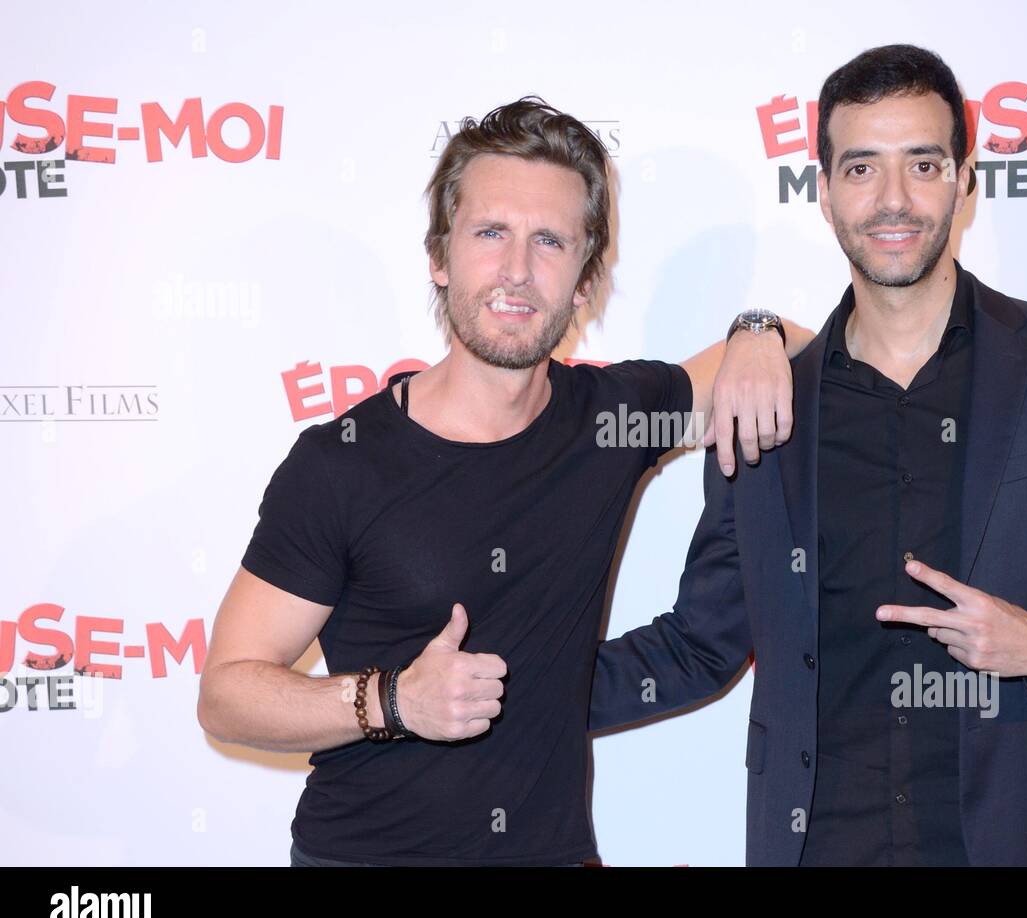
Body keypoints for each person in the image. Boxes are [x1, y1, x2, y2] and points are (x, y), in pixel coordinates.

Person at [589, 45, 1027, 866]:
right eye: (860, 168)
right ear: (823, 190)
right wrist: (506, 695)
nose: (893, 200)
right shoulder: (770, 405)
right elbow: (700, 645)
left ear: (964, 178)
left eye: (922, 164)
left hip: (1021, 844)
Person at [197, 97, 812, 866]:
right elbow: (226, 694)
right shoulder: (342, 461)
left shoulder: (609, 421)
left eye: (549, 242)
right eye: (491, 234)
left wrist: (756, 330)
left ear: (585, 282)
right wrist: (391, 701)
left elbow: (794, 353)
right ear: (439, 257)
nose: (517, 271)